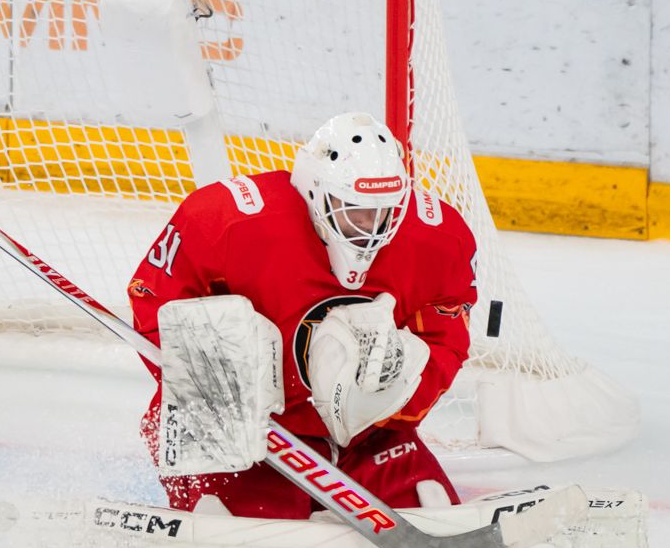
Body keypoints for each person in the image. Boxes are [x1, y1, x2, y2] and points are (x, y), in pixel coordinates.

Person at [127, 112, 478, 518]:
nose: (370, 226)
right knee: (241, 538)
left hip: (368, 437)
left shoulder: (439, 239)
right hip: (236, 430)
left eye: (383, 211)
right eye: (354, 209)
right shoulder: (227, 220)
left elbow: (445, 339)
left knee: (431, 514)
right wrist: (222, 381)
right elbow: (151, 296)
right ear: (315, 190)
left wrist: (390, 392)